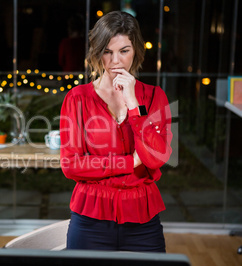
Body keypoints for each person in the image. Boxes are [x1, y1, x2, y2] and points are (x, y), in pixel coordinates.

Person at [59, 11, 173, 252]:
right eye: (107, 52)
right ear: (96, 53)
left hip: (142, 220)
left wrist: (134, 105)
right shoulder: (77, 98)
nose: (115, 62)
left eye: (124, 51)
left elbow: (156, 158)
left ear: (136, 52)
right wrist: (130, 162)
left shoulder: (154, 97)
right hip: (90, 220)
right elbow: (71, 165)